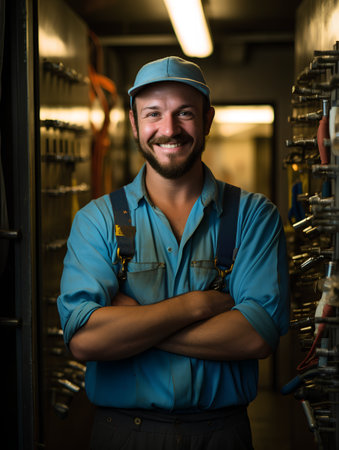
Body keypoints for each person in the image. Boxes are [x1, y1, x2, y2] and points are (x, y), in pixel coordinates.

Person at [57, 56, 289, 450]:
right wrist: (196, 306)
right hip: (122, 434)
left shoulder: (254, 216)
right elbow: (84, 339)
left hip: (222, 434)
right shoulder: (96, 220)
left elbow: (255, 337)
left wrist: (132, 321)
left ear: (207, 119)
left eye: (184, 113)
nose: (169, 129)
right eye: (153, 114)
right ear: (134, 123)